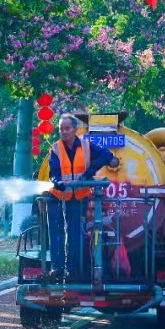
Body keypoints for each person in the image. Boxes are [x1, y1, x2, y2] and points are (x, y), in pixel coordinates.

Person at [46, 114, 120, 279]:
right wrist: (57, 181)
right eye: (61, 129)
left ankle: (72, 272)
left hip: (79, 198)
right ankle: (57, 269)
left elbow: (108, 157)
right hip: (57, 197)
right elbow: (54, 172)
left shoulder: (87, 146)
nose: (64, 132)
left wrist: (90, 171)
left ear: (75, 130)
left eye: (67, 128)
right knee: (56, 233)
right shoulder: (55, 149)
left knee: (75, 235)